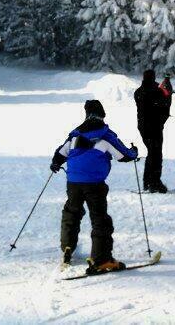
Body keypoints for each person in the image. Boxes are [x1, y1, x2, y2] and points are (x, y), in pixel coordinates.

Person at [51, 99, 138, 274]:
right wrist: (134, 152)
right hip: (94, 183)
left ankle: (67, 248)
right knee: (100, 219)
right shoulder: (106, 135)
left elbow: (60, 154)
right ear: (102, 115)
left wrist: (55, 163)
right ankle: (101, 260)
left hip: (74, 181)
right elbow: (123, 156)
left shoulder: (75, 135)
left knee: (72, 212)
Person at [134, 69, 171, 193]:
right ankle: (154, 182)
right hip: (154, 127)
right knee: (156, 155)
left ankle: (148, 182)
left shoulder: (138, 92)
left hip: (143, 127)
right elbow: (165, 108)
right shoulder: (157, 91)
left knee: (151, 153)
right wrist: (168, 94)